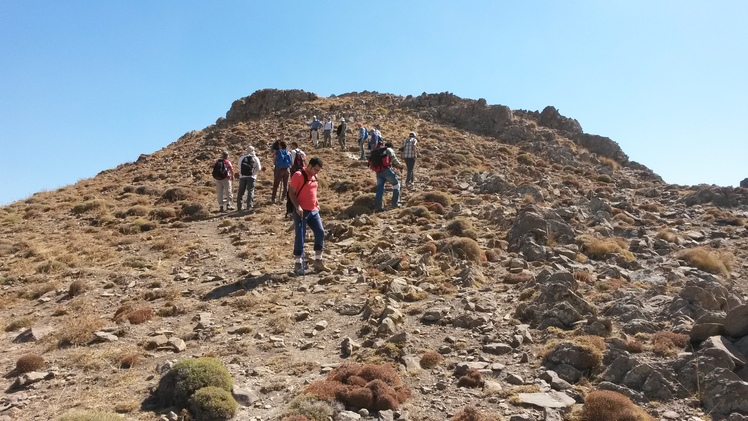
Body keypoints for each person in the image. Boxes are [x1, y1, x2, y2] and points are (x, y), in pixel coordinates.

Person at [288, 157, 330, 275]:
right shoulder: (298, 175)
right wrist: (297, 207)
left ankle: (318, 260)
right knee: (300, 235)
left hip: (313, 210)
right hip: (301, 211)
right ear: (310, 166)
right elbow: (291, 192)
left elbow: (313, 191)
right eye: (315, 169)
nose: (317, 172)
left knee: (320, 231)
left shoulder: (314, 176)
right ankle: (298, 263)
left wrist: (316, 203)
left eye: (318, 170)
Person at [369, 141, 402, 212]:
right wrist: (400, 166)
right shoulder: (389, 150)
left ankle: (378, 207)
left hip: (378, 172)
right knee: (396, 185)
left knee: (380, 189)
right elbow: (394, 160)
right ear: (391, 147)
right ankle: (394, 204)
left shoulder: (379, 150)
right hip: (386, 171)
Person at [236, 146, 261, 211]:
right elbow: (259, 168)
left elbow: (239, 166)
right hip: (252, 177)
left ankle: (239, 206)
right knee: (250, 190)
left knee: (241, 191)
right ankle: (249, 205)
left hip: (242, 176)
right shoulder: (255, 158)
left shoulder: (242, 158)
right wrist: (254, 172)